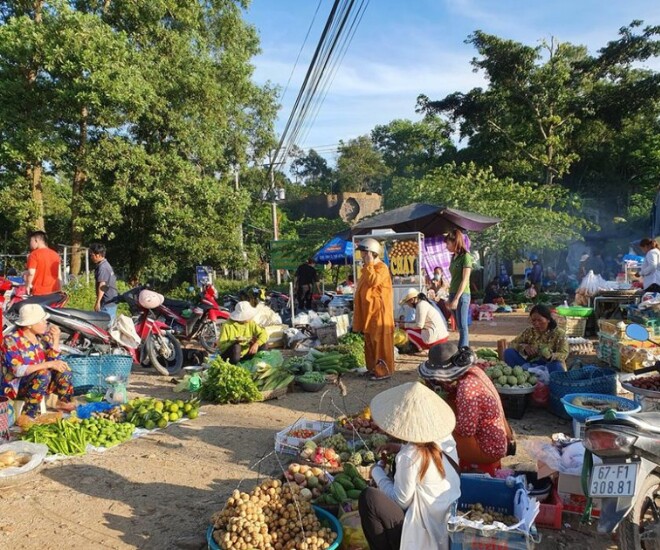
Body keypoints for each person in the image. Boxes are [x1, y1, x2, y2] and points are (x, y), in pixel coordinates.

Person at [358, 381, 461, 550]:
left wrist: (376, 472)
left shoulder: (410, 456)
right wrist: (399, 448)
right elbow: (428, 453)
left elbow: (400, 501)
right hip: (443, 523)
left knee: (369, 498)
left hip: (425, 535)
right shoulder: (444, 437)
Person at [418, 342, 510, 475]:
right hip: (497, 439)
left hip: (489, 448)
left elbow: (466, 430)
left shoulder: (466, 388)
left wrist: (440, 422)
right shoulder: (475, 371)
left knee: (436, 436)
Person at [2, 304, 74, 417]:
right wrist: (48, 364)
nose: (46, 322)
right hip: (18, 386)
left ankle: (63, 403)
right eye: (42, 320)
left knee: (64, 369)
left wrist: (56, 340)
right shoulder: (11, 341)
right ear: (30, 325)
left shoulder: (42, 339)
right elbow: (17, 371)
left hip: (42, 383)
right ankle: (29, 414)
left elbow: (55, 362)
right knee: (43, 373)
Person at [352, 237, 394, 380]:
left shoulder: (381, 267)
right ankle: (372, 368)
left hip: (378, 313)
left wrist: (369, 265)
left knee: (379, 342)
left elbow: (374, 281)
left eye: (364, 253)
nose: (361, 255)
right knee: (369, 342)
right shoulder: (366, 268)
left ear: (371, 253)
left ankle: (383, 371)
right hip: (368, 313)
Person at [503, 304, 568, 374]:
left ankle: (539, 376)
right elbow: (512, 344)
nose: (536, 323)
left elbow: (564, 354)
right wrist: (524, 348)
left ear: (548, 320)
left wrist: (550, 356)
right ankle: (528, 374)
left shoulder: (559, 333)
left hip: (548, 366)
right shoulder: (529, 332)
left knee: (556, 365)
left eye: (540, 320)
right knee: (508, 352)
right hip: (530, 366)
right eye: (533, 320)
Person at [445, 229, 473, 348]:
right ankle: (462, 349)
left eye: (448, 243)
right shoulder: (453, 257)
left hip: (462, 295)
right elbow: (454, 278)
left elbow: (465, 279)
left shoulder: (466, 257)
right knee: (457, 325)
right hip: (452, 293)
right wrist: (449, 296)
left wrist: (456, 298)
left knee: (462, 326)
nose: (446, 246)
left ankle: (463, 351)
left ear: (455, 242)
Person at [89, 243, 118, 323]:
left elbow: (103, 285)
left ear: (98, 255)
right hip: (110, 301)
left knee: (104, 327)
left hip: (107, 302)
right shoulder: (104, 264)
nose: (91, 257)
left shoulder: (103, 267)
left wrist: (98, 302)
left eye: (92, 255)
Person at [25, 230, 61, 296]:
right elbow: (59, 276)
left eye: (31, 241)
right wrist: (60, 290)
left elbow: (31, 273)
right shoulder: (56, 254)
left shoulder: (34, 254)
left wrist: (27, 286)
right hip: (55, 291)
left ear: (36, 241)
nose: (30, 243)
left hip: (39, 292)